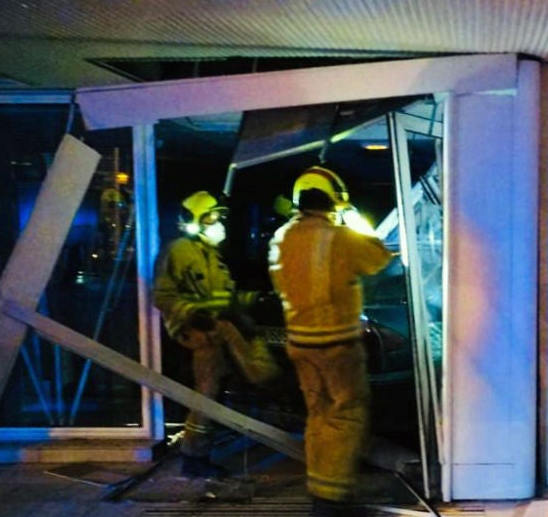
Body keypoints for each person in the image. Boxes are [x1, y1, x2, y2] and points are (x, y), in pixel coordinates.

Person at [268, 167, 393, 516]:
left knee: (318, 418)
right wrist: (355, 221)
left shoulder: (281, 237)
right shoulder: (339, 237)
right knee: (345, 418)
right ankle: (332, 502)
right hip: (337, 344)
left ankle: (321, 493)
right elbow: (379, 257)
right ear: (334, 199)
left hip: (300, 344)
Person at [153, 190, 279, 478]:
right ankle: (194, 457)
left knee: (215, 394)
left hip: (217, 332)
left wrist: (257, 299)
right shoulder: (179, 251)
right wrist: (192, 315)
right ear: (196, 219)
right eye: (212, 217)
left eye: (220, 218)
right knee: (206, 395)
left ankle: (199, 453)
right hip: (199, 336)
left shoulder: (211, 256)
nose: (219, 224)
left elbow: (226, 299)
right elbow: (163, 295)